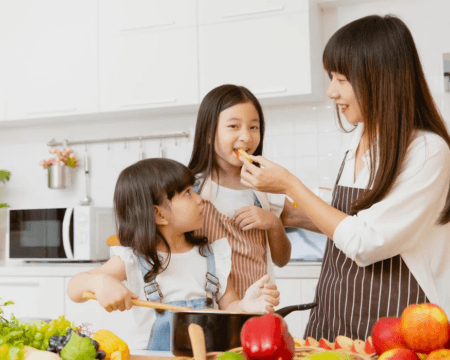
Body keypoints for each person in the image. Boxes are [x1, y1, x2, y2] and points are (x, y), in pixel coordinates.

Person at [237, 14, 450, 342]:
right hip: (334, 318)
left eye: (340, 79)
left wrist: (290, 184)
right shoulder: (361, 138)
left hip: (397, 327)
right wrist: (287, 213)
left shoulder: (426, 151)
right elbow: (350, 220)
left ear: (379, 77)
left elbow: (366, 241)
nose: (331, 92)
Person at [67, 158, 280, 351]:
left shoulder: (213, 256)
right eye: (188, 193)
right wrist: (99, 282)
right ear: (159, 214)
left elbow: (229, 307)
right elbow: (74, 288)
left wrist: (245, 307)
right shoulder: (133, 260)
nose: (200, 200)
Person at [188, 84, 292, 299]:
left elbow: (282, 259)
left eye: (254, 127)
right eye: (234, 126)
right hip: (209, 309)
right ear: (208, 134)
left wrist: (273, 222)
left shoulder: (264, 188)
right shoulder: (190, 191)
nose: (246, 137)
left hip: (259, 308)